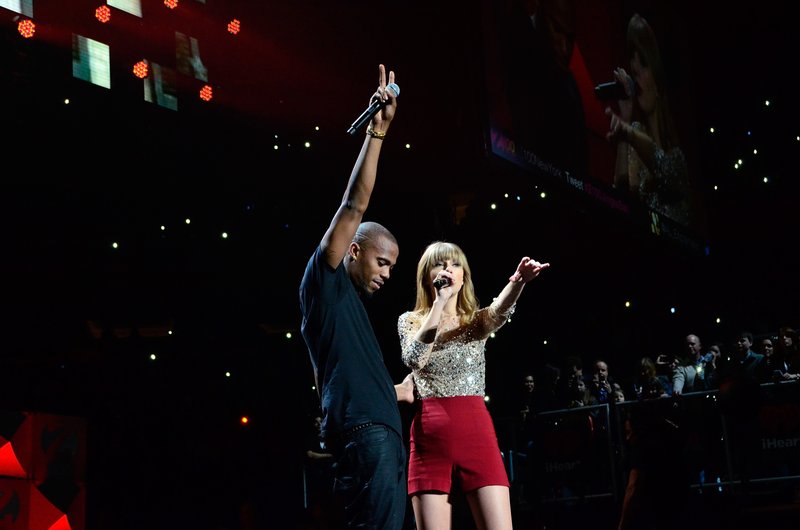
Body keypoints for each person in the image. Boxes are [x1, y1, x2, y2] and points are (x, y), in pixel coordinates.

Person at [298, 64, 415, 530]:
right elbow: (354, 204)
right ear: (353, 250)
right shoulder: (324, 282)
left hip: (374, 435)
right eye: (382, 262)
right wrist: (378, 134)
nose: (387, 274)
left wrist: (397, 392)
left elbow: (341, 382)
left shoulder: (349, 315)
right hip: (369, 440)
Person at [398, 241, 549, 530]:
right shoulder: (409, 321)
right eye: (440, 264)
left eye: (455, 264)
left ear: (464, 276)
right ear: (426, 276)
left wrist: (518, 282)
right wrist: (439, 304)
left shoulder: (474, 322)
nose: (448, 269)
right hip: (431, 439)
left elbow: (498, 311)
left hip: (476, 433)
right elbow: (413, 359)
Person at [605, 13, 692, 228]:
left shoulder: (679, 150)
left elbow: (664, 168)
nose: (637, 77)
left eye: (643, 66)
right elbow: (620, 199)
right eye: (634, 71)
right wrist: (625, 119)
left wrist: (629, 133)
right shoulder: (633, 134)